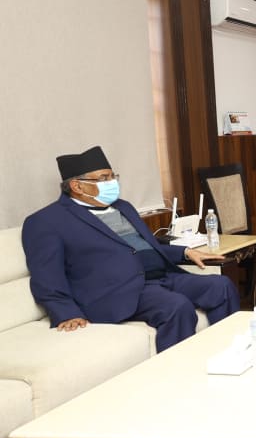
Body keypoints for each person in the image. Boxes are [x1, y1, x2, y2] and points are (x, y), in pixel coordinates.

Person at [22, 145, 241, 353]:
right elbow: (46, 275)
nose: (111, 183)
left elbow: (145, 246)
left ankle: (230, 354)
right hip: (119, 291)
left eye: (112, 176)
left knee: (221, 286)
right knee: (176, 306)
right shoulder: (47, 221)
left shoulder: (123, 207)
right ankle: (177, 373)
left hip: (161, 277)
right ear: (77, 186)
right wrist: (65, 313)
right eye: (103, 178)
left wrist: (185, 252)